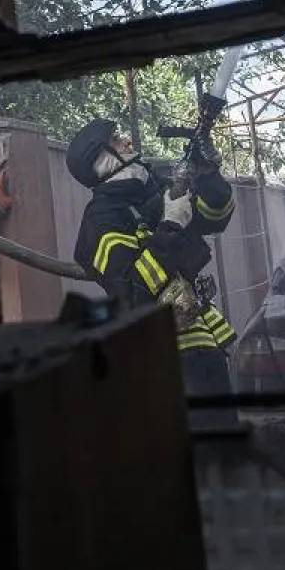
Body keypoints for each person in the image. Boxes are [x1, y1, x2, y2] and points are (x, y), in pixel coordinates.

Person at [66, 117, 238, 398]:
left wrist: (207, 176)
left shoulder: (156, 190)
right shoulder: (103, 219)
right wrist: (170, 227)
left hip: (205, 350)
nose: (126, 142)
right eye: (116, 140)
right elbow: (131, 295)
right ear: (100, 159)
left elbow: (215, 217)